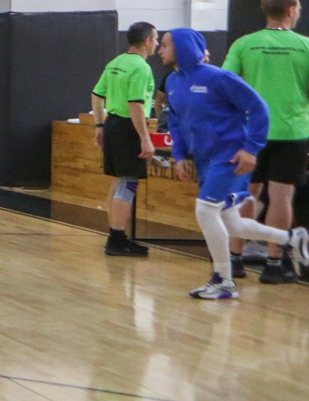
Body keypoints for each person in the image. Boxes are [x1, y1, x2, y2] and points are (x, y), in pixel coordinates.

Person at [160, 27, 305, 300]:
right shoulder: (172, 82)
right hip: (203, 160)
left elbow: (259, 108)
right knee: (232, 223)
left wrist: (251, 149)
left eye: (165, 44)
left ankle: (223, 280)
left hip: (229, 157)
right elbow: (176, 121)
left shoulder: (219, 78)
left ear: (182, 47)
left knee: (205, 210)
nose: (160, 50)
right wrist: (179, 156)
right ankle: (291, 239)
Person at [222, 0, 309, 282]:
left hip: (249, 135)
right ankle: (273, 264)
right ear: (291, 10)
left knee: (247, 194)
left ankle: (234, 259)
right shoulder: (305, 46)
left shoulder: (244, 44)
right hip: (291, 132)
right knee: (282, 197)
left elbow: (226, 86)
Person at [91, 24, 160, 258]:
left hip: (112, 124)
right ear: (148, 41)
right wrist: (145, 138)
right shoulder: (141, 68)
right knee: (128, 183)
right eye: (156, 39)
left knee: (118, 182)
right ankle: (117, 239)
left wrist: (100, 124)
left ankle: (116, 236)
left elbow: (96, 94)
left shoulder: (116, 62)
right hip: (128, 127)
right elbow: (135, 104)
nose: (158, 44)